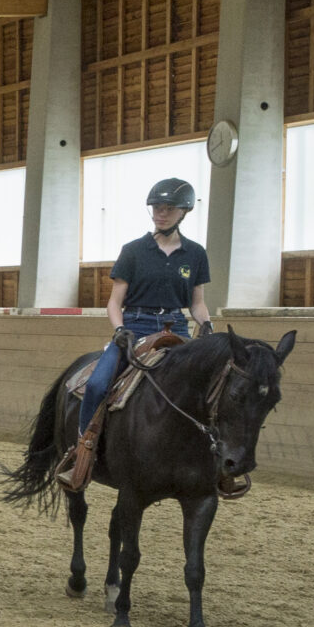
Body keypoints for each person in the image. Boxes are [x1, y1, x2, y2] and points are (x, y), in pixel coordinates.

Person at [62, 177, 213, 488]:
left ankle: (217, 459)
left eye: (168, 209)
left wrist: (207, 324)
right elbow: (114, 301)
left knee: (215, 387)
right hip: (135, 327)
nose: (160, 213)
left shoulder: (196, 254)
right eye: (157, 208)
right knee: (97, 384)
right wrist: (119, 329)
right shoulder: (133, 251)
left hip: (177, 326)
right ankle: (81, 452)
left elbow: (197, 303)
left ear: (184, 212)